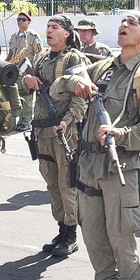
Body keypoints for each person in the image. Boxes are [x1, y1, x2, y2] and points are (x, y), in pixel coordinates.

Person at [51, 11, 140, 280]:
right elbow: (57, 87)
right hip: (88, 168)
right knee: (94, 239)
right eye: (122, 23)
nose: (123, 27)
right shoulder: (102, 67)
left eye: (131, 24)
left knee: (121, 240)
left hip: (121, 169)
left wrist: (122, 136)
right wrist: (76, 83)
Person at [21, 15, 88, 258]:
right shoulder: (41, 58)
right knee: (51, 183)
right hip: (42, 131)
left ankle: (71, 234)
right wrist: (27, 80)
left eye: (54, 27)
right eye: (48, 27)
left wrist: (68, 121)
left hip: (64, 132)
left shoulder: (73, 58)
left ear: (67, 33)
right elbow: (23, 88)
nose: (48, 31)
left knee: (67, 183)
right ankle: (61, 229)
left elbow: (81, 95)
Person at [8, 11, 43, 132]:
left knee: (28, 97)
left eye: (23, 19)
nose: (20, 22)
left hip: (28, 70)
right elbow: (11, 53)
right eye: (18, 19)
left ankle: (27, 122)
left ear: (29, 21)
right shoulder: (13, 36)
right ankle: (20, 120)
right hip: (15, 71)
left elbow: (39, 54)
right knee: (18, 96)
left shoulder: (33, 36)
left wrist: (35, 71)